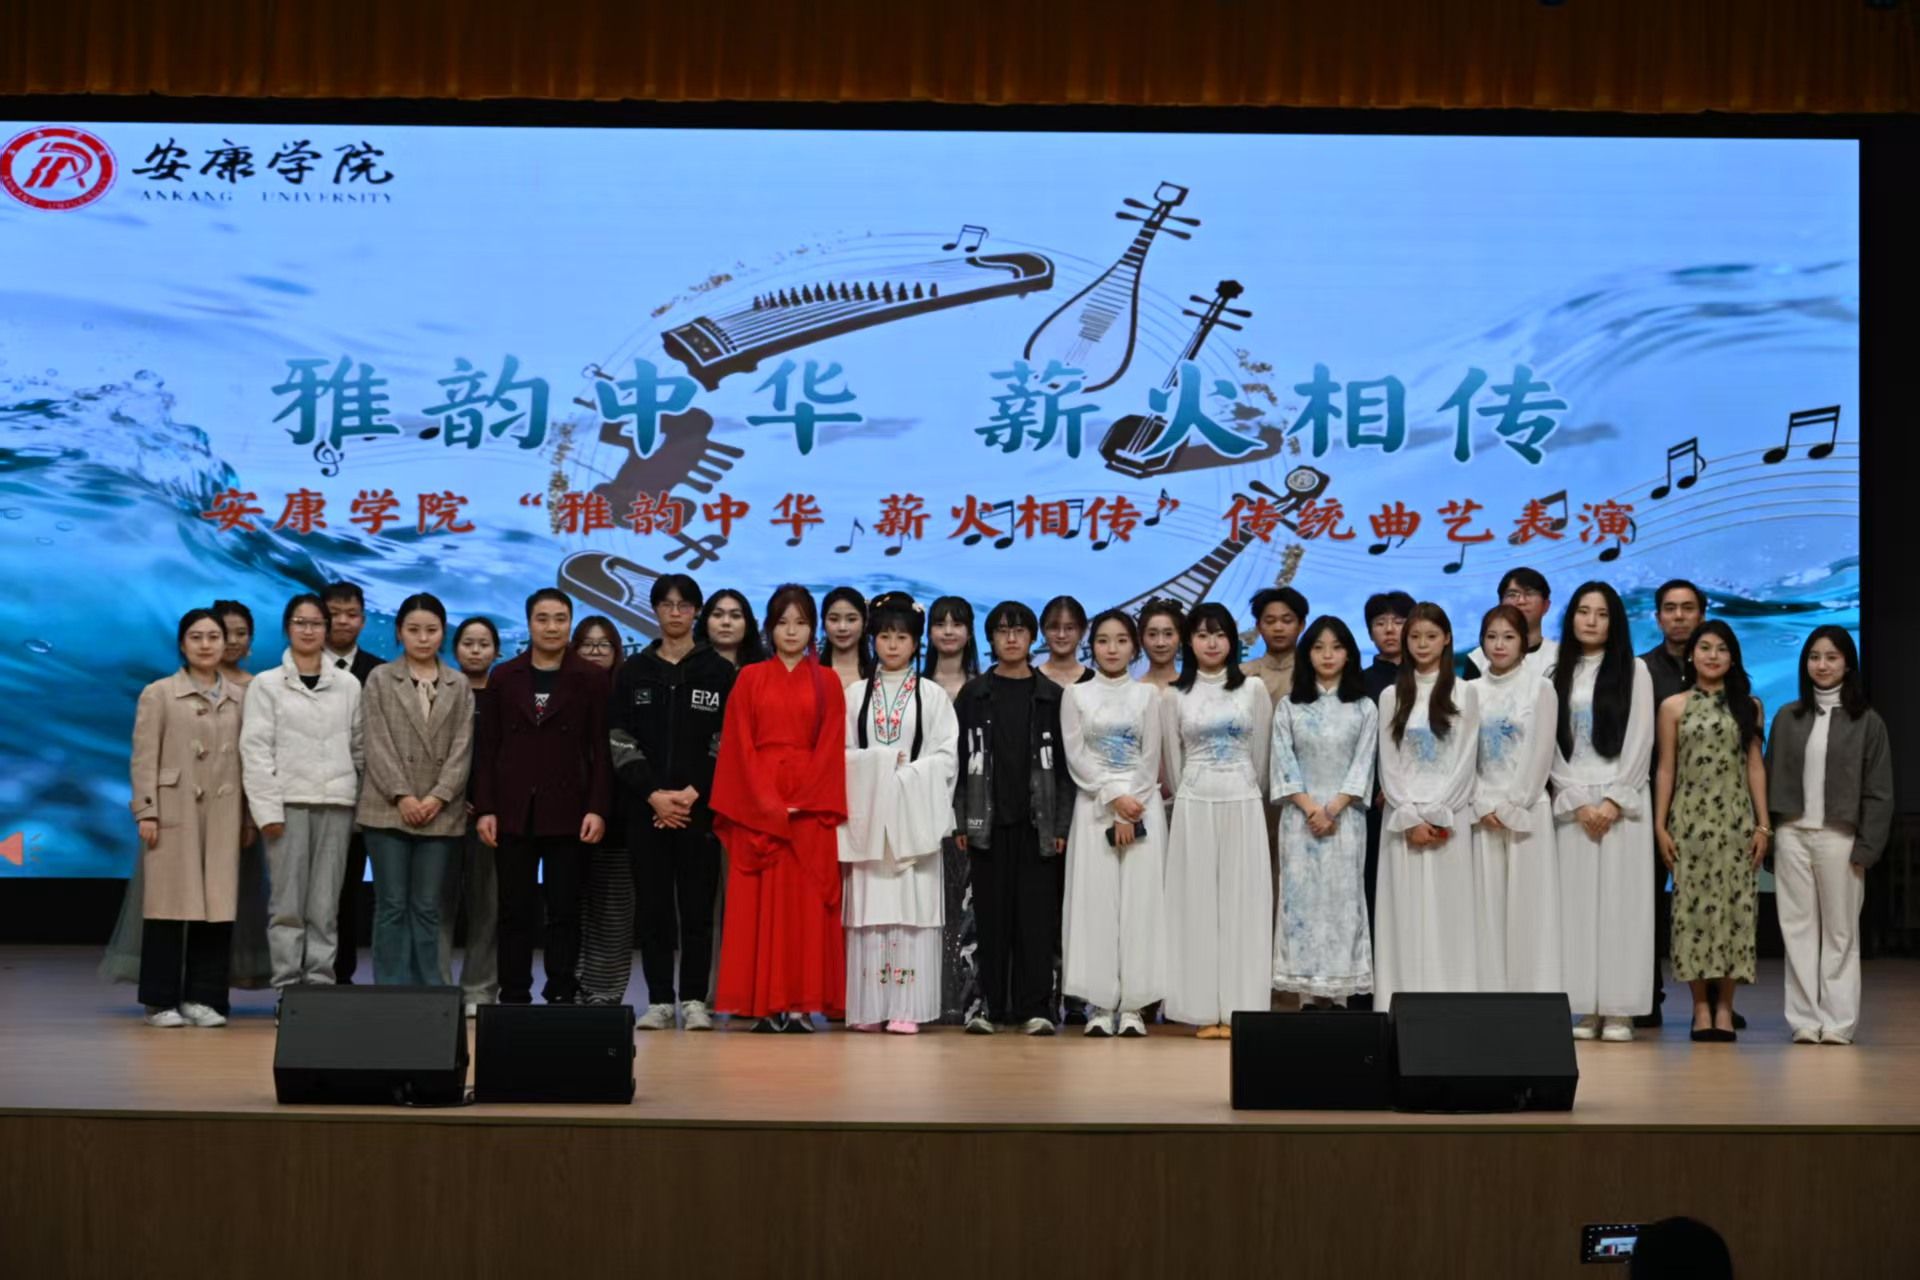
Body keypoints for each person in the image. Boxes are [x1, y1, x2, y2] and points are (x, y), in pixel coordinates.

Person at [712, 584, 848, 1032]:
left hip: (810, 807)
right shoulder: (750, 677)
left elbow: (831, 745)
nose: (791, 631)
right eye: (783, 622)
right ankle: (764, 1005)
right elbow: (738, 745)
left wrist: (803, 800)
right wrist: (766, 803)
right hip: (759, 803)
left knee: (806, 906)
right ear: (769, 628)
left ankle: (801, 1005)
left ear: (813, 629)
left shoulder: (827, 680)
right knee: (759, 905)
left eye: (801, 623)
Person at [472, 588, 611, 1005]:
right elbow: (487, 748)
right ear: (529, 623)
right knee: (514, 909)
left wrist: (597, 808)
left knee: (564, 909)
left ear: (570, 623)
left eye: (560, 619)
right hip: (513, 810)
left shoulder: (591, 678)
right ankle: (513, 992)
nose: (552, 627)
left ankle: (561, 991)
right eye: (543, 619)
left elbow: (601, 750)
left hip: (570, 809)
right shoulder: (504, 676)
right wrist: (486, 808)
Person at [611, 576, 735, 1030]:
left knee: (698, 909)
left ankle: (696, 999)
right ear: (655, 610)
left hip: (700, 811)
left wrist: (692, 792)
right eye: (667, 604)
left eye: (684, 605)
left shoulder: (719, 672)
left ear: (696, 611)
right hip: (646, 810)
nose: (676, 612)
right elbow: (619, 738)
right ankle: (660, 1000)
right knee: (654, 908)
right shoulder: (634, 670)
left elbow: (728, 740)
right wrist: (653, 795)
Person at [1766, 626, 1893, 1045]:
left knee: (1841, 933)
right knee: (1797, 930)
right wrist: (1770, 834)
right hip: (1792, 834)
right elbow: (1768, 774)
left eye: (1832, 657)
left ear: (1848, 664)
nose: (1821, 665)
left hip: (1841, 838)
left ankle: (1838, 1022)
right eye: (1814, 657)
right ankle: (1804, 1019)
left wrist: (1868, 846)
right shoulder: (1787, 717)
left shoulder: (1868, 721)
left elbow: (1879, 791)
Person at [954, 600, 1074, 1035]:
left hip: (1038, 825)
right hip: (985, 824)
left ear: (1031, 638)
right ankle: (983, 1007)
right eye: (1002, 631)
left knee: (1036, 921)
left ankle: (1035, 1007)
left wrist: (1060, 826)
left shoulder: (1052, 697)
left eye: (1019, 631)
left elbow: (1065, 771)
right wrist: (961, 820)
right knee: (989, 920)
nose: (1011, 638)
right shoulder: (973, 695)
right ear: (990, 638)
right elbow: (958, 764)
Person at [839, 593, 957, 1032]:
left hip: (913, 816)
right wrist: (880, 764)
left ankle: (908, 1007)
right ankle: (871, 1006)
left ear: (915, 642)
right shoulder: (855, 695)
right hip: (870, 817)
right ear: (872, 640)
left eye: (902, 637)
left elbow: (947, 758)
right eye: (885, 636)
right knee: (871, 912)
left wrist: (906, 773)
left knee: (912, 913)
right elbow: (841, 753)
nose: (892, 645)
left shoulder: (933, 696)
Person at [128, 609, 249, 1027]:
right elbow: (144, 757)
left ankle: (205, 998)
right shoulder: (159, 693)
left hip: (224, 812)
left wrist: (248, 819)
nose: (205, 644)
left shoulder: (241, 697)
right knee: (167, 906)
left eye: (214, 636)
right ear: (182, 644)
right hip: (174, 809)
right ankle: (160, 1000)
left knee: (217, 907)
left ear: (225, 644)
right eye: (196, 637)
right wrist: (147, 810)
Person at [241, 593, 365, 999]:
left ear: (326, 629)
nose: (308, 630)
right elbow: (255, 752)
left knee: (325, 906)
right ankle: (288, 991)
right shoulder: (266, 684)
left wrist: (360, 804)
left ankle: (320, 987)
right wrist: (266, 811)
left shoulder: (348, 685)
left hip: (337, 806)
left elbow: (360, 748)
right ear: (287, 628)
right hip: (287, 806)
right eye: (300, 622)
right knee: (287, 907)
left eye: (316, 623)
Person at [1161, 602, 1272, 1038]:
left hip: (1243, 799)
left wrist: (1243, 786)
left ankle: (1242, 1007)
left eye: (1220, 634)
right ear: (1189, 642)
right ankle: (1203, 1008)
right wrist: (1191, 789)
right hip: (1194, 801)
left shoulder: (1253, 689)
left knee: (1244, 903)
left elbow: (1261, 756)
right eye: (1203, 635)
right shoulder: (1174, 694)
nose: (1212, 643)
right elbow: (1173, 763)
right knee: (1197, 905)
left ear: (1233, 641)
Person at [1654, 620, 1767, 1043]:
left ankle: (1725, 1008)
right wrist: (1660, 825)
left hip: (1736, 823)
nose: (1713, 655)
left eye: (1721, 648)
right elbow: (1667, 768)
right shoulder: (1673, 706)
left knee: (1737, 913)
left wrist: (1763, 825)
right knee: (1692, 915)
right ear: (1692, 654)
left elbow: (1755, 766)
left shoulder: (1749, 706)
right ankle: (1700, 1007)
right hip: (1689, 823)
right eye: (1705, 647)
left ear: (1733, 657)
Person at [1551, 581, 1655, 1041]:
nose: (1591, 621)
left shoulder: (1635, 670)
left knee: (1621, 906)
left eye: (1602, 613)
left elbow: (1641, 739)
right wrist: (1577, 799)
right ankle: (1584, 1008)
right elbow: (1549, 744)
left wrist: (1614, 800)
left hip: (1622, 803)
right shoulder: (1555, 672)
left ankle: (1618, 1009)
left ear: (1615, 622)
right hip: (1573, 802)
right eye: (1583, 611)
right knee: (1574, 909)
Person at [1061, 609, 1167, 1037]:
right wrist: (1112, 798)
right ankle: (1099, 1004)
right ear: (1092, 646)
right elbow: (1076, 757)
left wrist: (1129, 806)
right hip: (1094, 807)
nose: (1112, 649)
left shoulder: (1147, 696)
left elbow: (1151, 756)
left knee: (1141, 905)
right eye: (1103, 641)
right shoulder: (1076, 695)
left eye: (1121, 641)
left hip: (1142, 806)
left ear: (1134, 648)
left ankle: (1136, 1005)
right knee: (1096, 904)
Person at [358, 593, 473, 986]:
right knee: (391, 904)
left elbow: (463, 747)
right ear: (399, 632)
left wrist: (439, 796)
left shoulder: (458, 684)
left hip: (441, 811)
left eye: (431, 630)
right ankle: (390, 991)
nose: (423, 638)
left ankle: (430, 994)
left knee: (427, 906)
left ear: (443, 633)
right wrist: (402, 796)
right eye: (414, 630)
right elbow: (376, 743)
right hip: (387, 808)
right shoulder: (380, 678)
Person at [1374, 603, 1480, 1009]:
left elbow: (1466, 759)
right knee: (1404, 913)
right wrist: (1408, 816)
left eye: (1431, 636)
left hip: (1449, 818)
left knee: (1449, 911)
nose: (1422, 644)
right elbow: (1388, 762)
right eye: (1415, 637)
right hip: (1402, 819)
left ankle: (1449, 1004)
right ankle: (1400, 1002)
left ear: (1447, 639)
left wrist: (1438, 814)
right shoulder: (1391, 695)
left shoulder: (1465, 692)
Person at [1268, 615, 1377, 1007]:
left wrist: (1333, 808)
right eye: (1318, 647)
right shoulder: (1290, 707)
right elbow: (1283, 763)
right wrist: (1311, 808)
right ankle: (1307, 997)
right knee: (1300, 904)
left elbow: (1364, 764)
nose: (1328, 655)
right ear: (1307, 654)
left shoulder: (1363, 707)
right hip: (1300, 821)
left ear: (1349, 654)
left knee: (1343, 903)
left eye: (1336, 647)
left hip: (1346, 821)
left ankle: (1341, 996)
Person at [1469, 604, 1561, 993]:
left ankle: (1533, 996)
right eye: (1492, 637)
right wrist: (1481, 804)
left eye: (1508, 637)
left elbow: (1541, 753)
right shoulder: (1470, 691)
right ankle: (1490, 996)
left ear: (1524, 642)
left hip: (1527, 811)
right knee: (1487, 910)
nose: (1499, 645)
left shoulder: (1540, 687)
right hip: (1483, 814)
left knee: (1530, 907)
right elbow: (1465, 756)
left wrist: (1513, 805)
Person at [1637, 579, 1707, 1028]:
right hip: (1651, 805)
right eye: (1670, 608)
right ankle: (1647, 997)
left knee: (1707, 903)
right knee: (1646, 905)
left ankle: (1715, 1003)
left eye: (1687, 608)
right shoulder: (1641, 670)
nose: (1679, 616)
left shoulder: (1720, 665)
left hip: (1707, 809)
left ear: (1702, 614)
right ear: (1657, 616)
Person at [1350, 588, 1411, 1012]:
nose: (1390, 630)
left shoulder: (1435, 679)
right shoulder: (1359, 682)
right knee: (1369, 893)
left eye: (1398, 621)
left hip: (1421, 801)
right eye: (1380, 622)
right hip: (1369, 805)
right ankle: (1368, 992)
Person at [573, 614, 637, 1007]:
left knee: (613, 911)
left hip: (620, 818)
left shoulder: (626, 694)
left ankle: (605, 991)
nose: (595, 652)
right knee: (572, 908)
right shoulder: (564, 692)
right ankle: (572, 985)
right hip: (567, 816)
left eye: (604, 645)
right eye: (587, 644)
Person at [923, 594, 982, 1025]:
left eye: (956, 623)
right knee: (929, 907)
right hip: (923, 808)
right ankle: (926, 996)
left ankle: (963, 998)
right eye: (940, 623)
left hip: (970, 810)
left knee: (966, 910)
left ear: (969, 632)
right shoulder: (915, 686)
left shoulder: (982, 687)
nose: (948, 631)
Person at [321, 580, 382, 984]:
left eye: (351, 614)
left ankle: (341, 976)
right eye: (333, 614)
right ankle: (308, 980)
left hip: (365, 800)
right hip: (311, 796)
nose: (342, 621)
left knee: (348, 891)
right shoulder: (299, 667)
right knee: (310, 895)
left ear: (363, 619)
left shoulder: (380, 671)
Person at [439, 616, 500, 1011]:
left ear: (496, 650)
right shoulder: (440, 690)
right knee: (438, 905)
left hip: (491, 818)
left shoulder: (505, 693)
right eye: (468, 643)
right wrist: (450, 797)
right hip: (441, 812)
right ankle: (439, 988)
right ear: (455, 648)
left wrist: (488, 802)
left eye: (484, 644)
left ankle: (479, 989)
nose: (476, 651)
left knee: (487, 907)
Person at [1463, 568, 1555, 680]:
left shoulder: (1559, 655)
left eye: (1529, 593)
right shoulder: (1478, 659)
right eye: (1512, 594)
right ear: (1500, 604)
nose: (1521, 601)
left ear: (1546, 605)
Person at [1245, 586, 1308, 705]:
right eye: (1270, 621)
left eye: (1287, 620)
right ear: (1258, 626)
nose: (1278, 628)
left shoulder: (1315, 674)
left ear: (1301, 625)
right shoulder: (1241, 675)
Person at [696, 588, 765, 668]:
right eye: (717, 615)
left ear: (747, 624)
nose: (726, 622)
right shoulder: (688, 667)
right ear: (705, 621)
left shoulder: (763, 670)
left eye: (735, 616)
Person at [1037, 594, 1092, 688]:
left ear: (1082, 632)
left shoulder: (1095, 681)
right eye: (1054, 628)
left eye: (1069, 628)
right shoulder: (1029, 681)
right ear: (1043, 630)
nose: (1061, 635)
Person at [822, 585, 871, 689]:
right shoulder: (811, 673)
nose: (842, 627)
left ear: (865, 623)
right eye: (834, 619)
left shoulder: (878, 675)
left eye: (851, 619)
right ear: (823, 623)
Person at [1137, 598, 1184, 691]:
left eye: (1168, 634)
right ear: (1141, 639)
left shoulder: (1196, 690)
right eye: (1152, 634)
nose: (1160, 643)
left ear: (1181, 638)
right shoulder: (1130, 692)